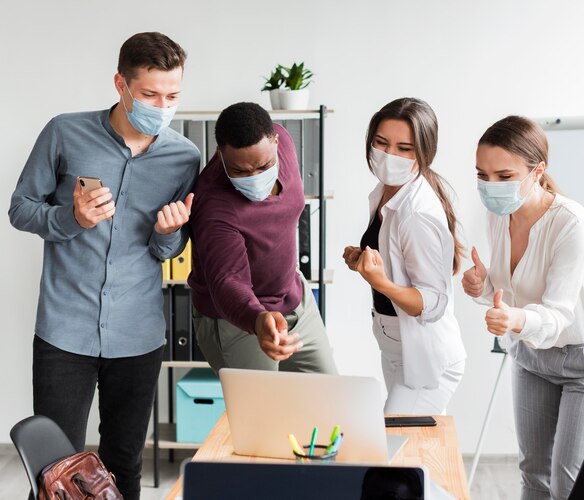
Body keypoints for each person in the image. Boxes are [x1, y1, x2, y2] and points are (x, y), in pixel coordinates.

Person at [8, 32, 200, 499]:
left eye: (172, 95)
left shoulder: (184, 157)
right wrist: (71, 218)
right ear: (121, 84)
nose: (162, 104)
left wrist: (168, 234)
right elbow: (20, 208)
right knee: (54, 471)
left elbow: (167, 252)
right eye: (151, 94)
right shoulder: (64, 131)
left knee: (123, 465)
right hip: (64, 330)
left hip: (138, 335)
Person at [462, 115, 584, 500]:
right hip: (533, 356)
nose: (490, 186)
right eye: (482, 175)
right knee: (532, 475)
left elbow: (557, 315)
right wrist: (481, 284)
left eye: (503, 175)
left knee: (569, 485)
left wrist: (513, 319)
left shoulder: (571, 223)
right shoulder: (497, 214)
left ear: (538, 171)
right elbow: (509, 290)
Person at [189, 102, 337, 374]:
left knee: (328, 402)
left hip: (295, 300)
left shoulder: (285, 144)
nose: (255, 177)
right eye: (241, 171)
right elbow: (228, 280)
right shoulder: (212, 204)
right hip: (240, 320)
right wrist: (258, 320)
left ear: (277, 141)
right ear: (221, 154)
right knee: (263, 414)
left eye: (264, 166)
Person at [343, 98, 465, 415]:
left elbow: (432, 303)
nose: (389, 156)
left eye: (404, 149)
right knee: (404, 451)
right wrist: (363, 261)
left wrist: (380, 281)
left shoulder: (417, 213)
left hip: (425, 358)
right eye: (381, 143)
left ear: (424, 154)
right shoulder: (388, 190)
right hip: (397, 347)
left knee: (395, 451)